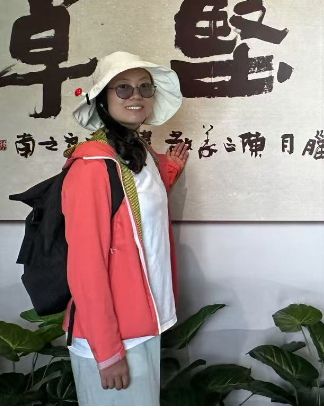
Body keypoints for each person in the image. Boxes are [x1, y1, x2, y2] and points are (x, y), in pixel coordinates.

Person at [62, 52, 189, 406]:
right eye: (123, 88)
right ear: (102, 99)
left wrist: (168, 171)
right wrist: (107, 352)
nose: (136, 95)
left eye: (144, 87)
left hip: (144, 322)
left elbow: (135, 211)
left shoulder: (138, 153)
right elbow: (85, 266)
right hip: (114, 338)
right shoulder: (91, 167)